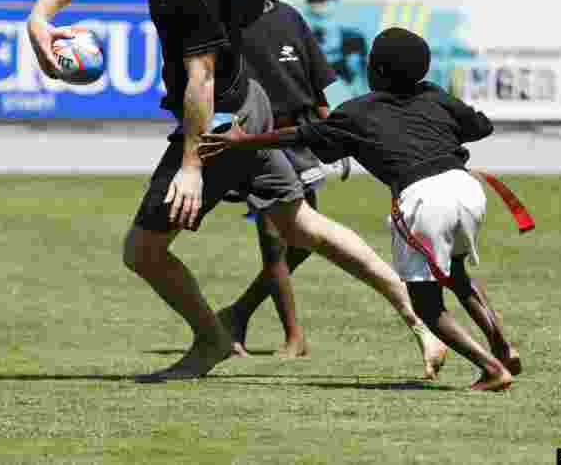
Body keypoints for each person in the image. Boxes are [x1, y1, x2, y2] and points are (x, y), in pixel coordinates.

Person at [25, 0, 446, 382]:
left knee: (144, 250)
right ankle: (424, 322)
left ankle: (211, 341)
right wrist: (40, 18)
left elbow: (200, 79)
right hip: (245, 104)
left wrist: (192, 165)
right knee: (302, 227)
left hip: (222, 123)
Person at [200, 27, 520, 391]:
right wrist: (433, 131)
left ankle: (492, 368)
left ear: (377, 71)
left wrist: (246, 140)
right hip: (467, 189)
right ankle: (503, 347)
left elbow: (303, 135)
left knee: (427, 305)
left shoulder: (358, 111)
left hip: (424, 199)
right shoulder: (435, 96)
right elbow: (480, 125)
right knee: (457, 276)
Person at [217, 0, 337, 358]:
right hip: (251, 142)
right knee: (274, 237)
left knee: (305, 241)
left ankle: (237, 314)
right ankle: (293, 337)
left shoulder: (290, 19)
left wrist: (335, 136)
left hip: (298, 140)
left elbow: (319, 91)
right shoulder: (219, 23)